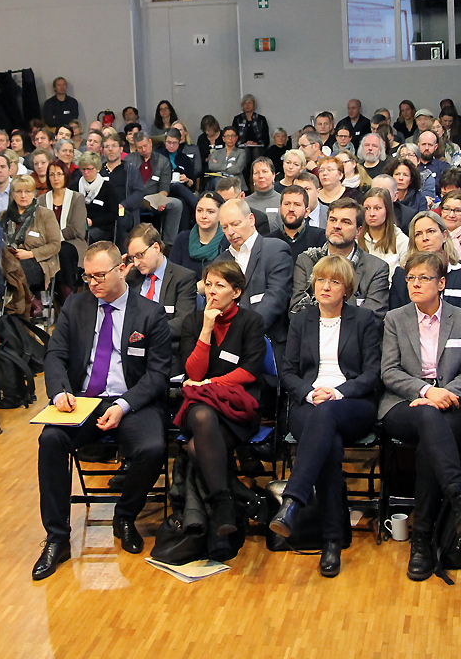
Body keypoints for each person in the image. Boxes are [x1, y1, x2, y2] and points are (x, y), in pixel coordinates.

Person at [32, 242, 172, 579]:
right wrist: (60, 391)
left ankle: (124, 515)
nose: (92, 283)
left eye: (99, 276)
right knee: (50, 440)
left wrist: (124, 406)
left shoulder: (149, 313)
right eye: (87, 276)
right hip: (85, 400)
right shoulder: (76, 307)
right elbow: (55, 355)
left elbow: (158, 374)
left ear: (121, 269)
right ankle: (57, 537)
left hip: (132, 400)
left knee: (152, 448)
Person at [271, 255, 383, 577]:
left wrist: (337, 392)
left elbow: (372, 374)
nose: (325, 286)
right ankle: (332, 540)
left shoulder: (363, 320)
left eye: (334, 281)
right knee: (328, 447)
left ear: (347, 288)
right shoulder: (301, 320)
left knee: (328, 417)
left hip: (351, 403)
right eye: (321, 280)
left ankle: (293, 502)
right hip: (309, 403)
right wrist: (310, 393)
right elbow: (289, 372)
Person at [377, 250, 461, 580]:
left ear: (441, 283)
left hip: (455, 404)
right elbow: (389, 371)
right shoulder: (395, 319)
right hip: (404, 402)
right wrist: (426, 392)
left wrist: (446, 394)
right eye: (411, 278)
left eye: (424, 278)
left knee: (430, 436)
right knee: (427, 419)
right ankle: (459, 500)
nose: (415, 284)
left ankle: (421, 538)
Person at [175, 259, 267, 560]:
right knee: (202, 416)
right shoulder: (193, 321)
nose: (211, 292)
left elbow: (250, 371)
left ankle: (229, 499)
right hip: (200, 408)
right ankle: (228, 500)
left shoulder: (251, 322)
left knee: (194, 448)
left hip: (237, 408)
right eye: (209, 284)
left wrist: (211, 382)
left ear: (236, 291)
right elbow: (192, 369)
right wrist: (206, 329)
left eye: (220, 285)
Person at [289, 198, 391, 316]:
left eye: (345, 222)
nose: (337, 226)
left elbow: (373, 318)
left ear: (358, 231)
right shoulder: (307, 260)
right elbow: (295, 311)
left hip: (355, 334)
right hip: (312, 332)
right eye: (333, 220)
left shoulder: (376, 269)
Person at [216, 198, 294, 344]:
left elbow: (276, 298)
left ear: (251, 219)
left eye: (235, 224)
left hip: (268, 341)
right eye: (225, 227)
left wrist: (244, 333)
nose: (230, 232)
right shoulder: (220, 262)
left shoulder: (275, 249)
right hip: (229, 344)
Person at [389, 211, 461, 316]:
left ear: (444, 235)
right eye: (418, 234)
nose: (425, 238)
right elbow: (396, 319)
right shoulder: (401, 274)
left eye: (431, 231)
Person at [125, 224, 198, 359]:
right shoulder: (130, 278)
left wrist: (146, 333)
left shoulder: (183, 278)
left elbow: (183, 322)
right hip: (131, 352)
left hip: (166, 352)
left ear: (156, 248)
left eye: (140, 255)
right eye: (132, 257)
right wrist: (119, 282)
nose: (136, 263)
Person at [0, 174, 62, 297]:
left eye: (27, 191)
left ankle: (23, 303)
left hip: (39, 261)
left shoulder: (45, 215)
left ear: (34, 193)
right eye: (19, 191)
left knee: (17, 270)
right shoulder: (3, 216)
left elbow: (55, 245)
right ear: (12, 194)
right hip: (7, 260)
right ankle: (31, 302)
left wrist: (30, 254)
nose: (23, 195)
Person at [39, 160, 89, 291]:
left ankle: (65, 294)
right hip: (46, 244)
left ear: (65, 175)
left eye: (59, 174)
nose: (55, 178)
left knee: (62, 253)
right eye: (52, 175)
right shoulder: (41, 200)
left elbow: (77, 229)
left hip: (72, 242)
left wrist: (54, 238)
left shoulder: (77, 198)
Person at [269, 183, 327, 260]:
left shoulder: (320, 238)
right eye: (287, 204)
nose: (291, 209)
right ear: (280, 210)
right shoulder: (268, 241)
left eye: (297, 204)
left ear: (307, 212)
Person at [359, 187, 409, 273]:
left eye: (377, 208)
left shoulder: (401, 241)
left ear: (387, 210)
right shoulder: (355, 238)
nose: (372, 214)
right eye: (367, 208)